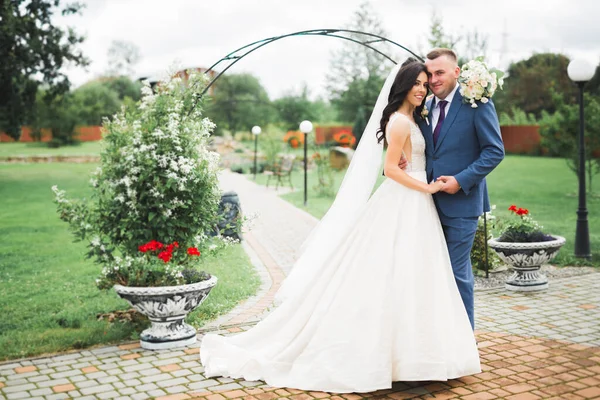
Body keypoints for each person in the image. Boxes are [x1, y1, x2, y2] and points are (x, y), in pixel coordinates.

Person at [200, 59, 481, 394]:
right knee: (397, 275)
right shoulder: (400, 122)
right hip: (407, 199)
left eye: (425, 83)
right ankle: (400, 358)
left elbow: (407, 159)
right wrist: (428, 187)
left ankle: (416, 357)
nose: (422, 89)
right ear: (402, 86)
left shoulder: (411, 117)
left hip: (414, 203)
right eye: (416, 83)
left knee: (414, 277)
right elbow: (391, 170)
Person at [417, 48, 505, 330]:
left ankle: (464, 340)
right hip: (426, 203)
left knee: (456, 273)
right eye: (429, 74)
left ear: (456, 72)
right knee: (430, 272)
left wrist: (460, 180)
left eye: (439, 72)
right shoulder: (426, 106)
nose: (433, 79)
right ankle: (438, 338)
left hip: (462, 203)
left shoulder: (477, 103)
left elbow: (494, 151)